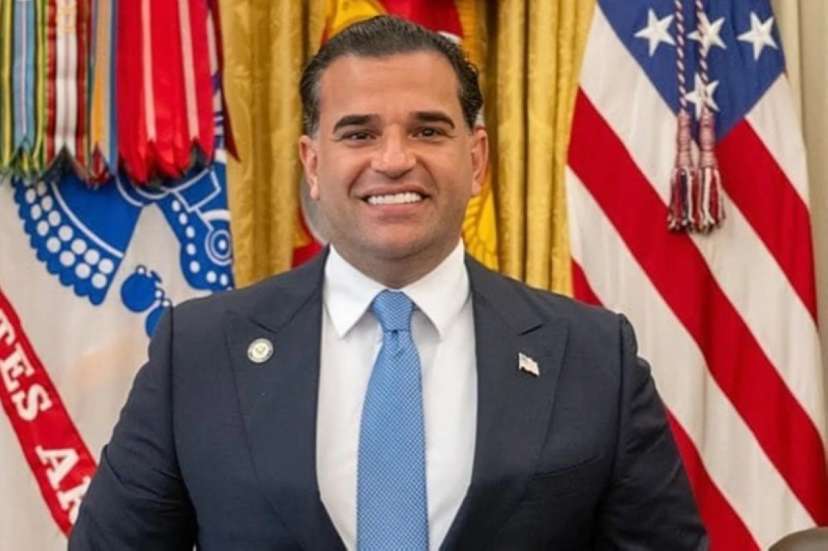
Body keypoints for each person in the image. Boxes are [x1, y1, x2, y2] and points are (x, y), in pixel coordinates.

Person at [69, 15, 707, 550]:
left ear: (476, 159)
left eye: (428, 130)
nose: (395, 159)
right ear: (312, 164)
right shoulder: (199, 352)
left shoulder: (593, 356)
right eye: (359, 133)